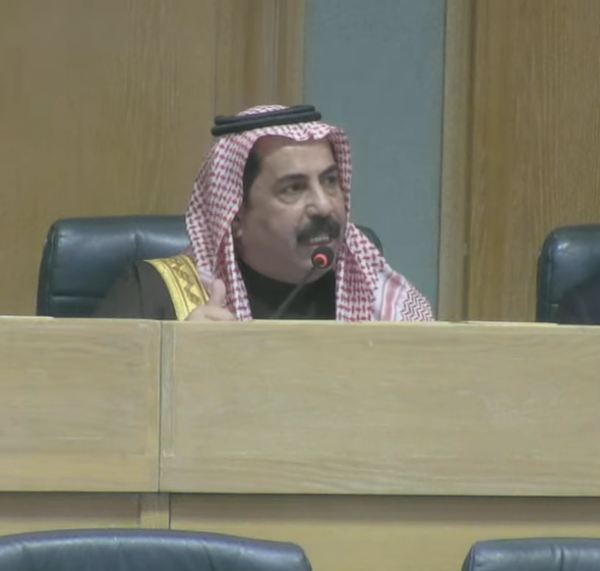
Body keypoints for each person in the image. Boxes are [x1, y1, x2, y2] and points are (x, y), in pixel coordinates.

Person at [94, 104, 434, 322]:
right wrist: (175, 359)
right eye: (293, 188)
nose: (324, 205)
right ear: (235, 216)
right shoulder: (155, 295)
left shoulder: (384, 303)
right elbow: (87, 401)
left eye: (330, 181)